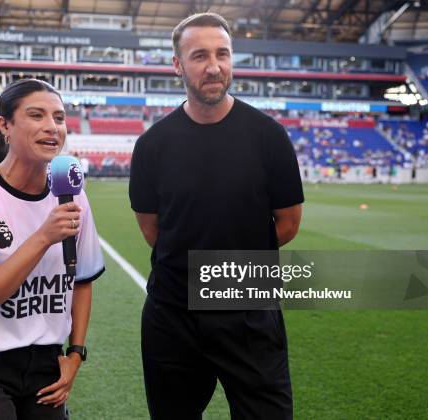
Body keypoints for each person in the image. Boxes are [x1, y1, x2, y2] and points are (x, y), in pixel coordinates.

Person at [129, 13, 303, 420]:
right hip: (173, 315)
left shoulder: (269, 137)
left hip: (249, 310)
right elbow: (154, 230)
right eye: (199, 55)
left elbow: (289, 224)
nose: (213, 66)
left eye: (222, 54)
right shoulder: (152, 145)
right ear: (177, 65)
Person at [0, 78, 105, 420]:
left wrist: (75, 354)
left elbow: (82, 281)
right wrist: (44, 236)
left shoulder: (72, 195)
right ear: (5, 126)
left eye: (59, 118)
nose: (52, 127)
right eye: (36, 115)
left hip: (46, 365)